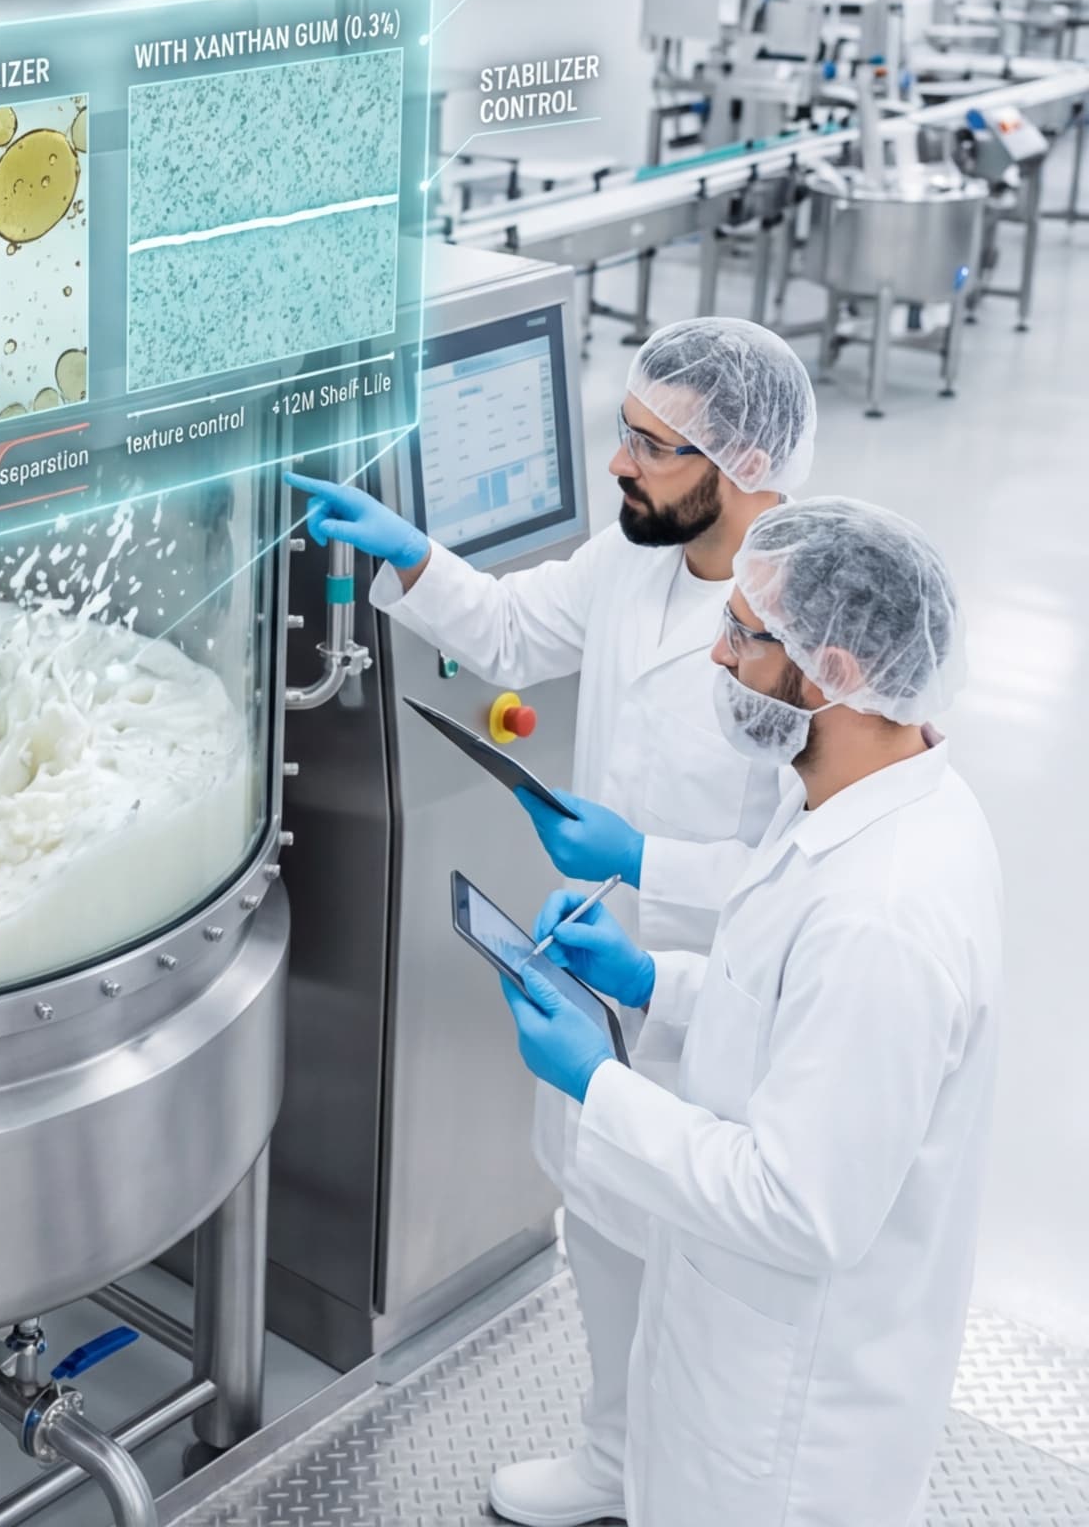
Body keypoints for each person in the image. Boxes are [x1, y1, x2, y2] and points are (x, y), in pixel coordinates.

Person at [287, 317, 816, 1527]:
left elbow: (809, 880)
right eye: (618, 429)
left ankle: (685, 1487)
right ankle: (614, 1459)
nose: (617, 463)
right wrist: (412, 555)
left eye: (651, 444)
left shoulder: (793, 628)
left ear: (742, 471)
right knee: (607, 1229)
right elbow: (519, 631)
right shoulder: (640, 550)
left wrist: (642, 857)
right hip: (598, 955)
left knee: (702, 1275)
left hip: (714, 997)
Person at [503, 498, 997, 1527]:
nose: (718, 659)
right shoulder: (852, 793)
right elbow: (781, 1007)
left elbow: (793, 1204)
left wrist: (596, 1081)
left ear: (836, 673)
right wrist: (650, 979)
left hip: (786, 1435)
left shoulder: (883, 915)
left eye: (744, 635)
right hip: (728, 1354)